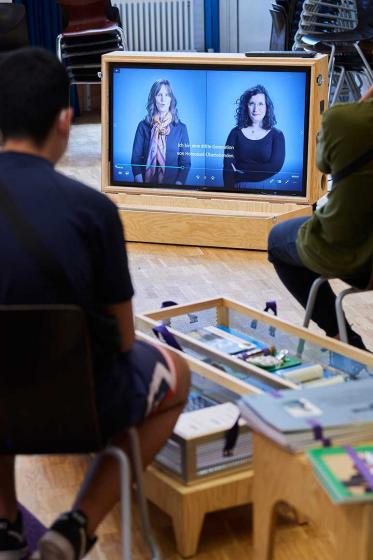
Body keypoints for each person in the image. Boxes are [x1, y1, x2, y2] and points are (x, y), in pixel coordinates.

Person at [0, 47, 190, 560]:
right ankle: (78, 525)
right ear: (66, 120)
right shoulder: (94, 211)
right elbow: (124, 340)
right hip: (83, 408)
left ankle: (6, 526)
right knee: (178, 374)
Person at [268, 86, 373, 350]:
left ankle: (346, 343)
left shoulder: (344, 120)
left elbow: (323, 165)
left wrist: (361, 105)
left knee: (277, 240)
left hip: (350, 257)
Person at [223, 84, 285, 189]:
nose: (256, 109)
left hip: (268, 190)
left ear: (267, 107)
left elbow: (274, 167)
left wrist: (242, 171)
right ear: (246, 106)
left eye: (261, 104)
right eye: (252, 103)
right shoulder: (235, 133)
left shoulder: (277, 135)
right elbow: (228, 169)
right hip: (238, 189)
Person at [131, 79, 191, 185]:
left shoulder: (181, 128)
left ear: (171, 99)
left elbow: (185, 163)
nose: (163, 99)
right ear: (153, 98)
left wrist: (177, 187)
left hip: (173, 188)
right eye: (159, 94)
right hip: (145, 186)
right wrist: (141, 185)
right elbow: (135, 160)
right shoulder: (143, 126)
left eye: (167, 95)